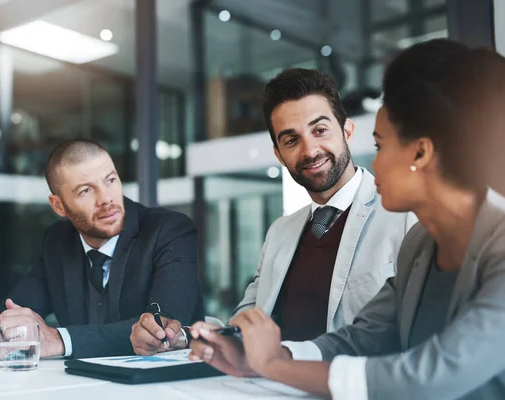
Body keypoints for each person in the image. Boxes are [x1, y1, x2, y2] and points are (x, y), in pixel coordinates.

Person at [188, 39, 505, 400]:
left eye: (381, 146)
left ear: (421, 151)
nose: (375, 162)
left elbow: (433, 375)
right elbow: (362, 336)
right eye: (291, 140)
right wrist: (261, 359)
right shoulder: (420, 244)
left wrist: (273, 366)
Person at [130, 68, 415, 355]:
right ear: (279, 154)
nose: (309, 150)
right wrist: (183, 337)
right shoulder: (280, 232)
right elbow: (243, 326)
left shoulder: (405, 216)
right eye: (291, 140)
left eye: (320, 130)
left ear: (347, 131)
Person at [0, 139, 203, 359]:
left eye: (110, 180)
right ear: (58, 205)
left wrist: (59, 340)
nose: (106, 199)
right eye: (85, 190)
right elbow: (19, 306)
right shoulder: (57, 241)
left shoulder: (170, 230)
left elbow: (165, 328)